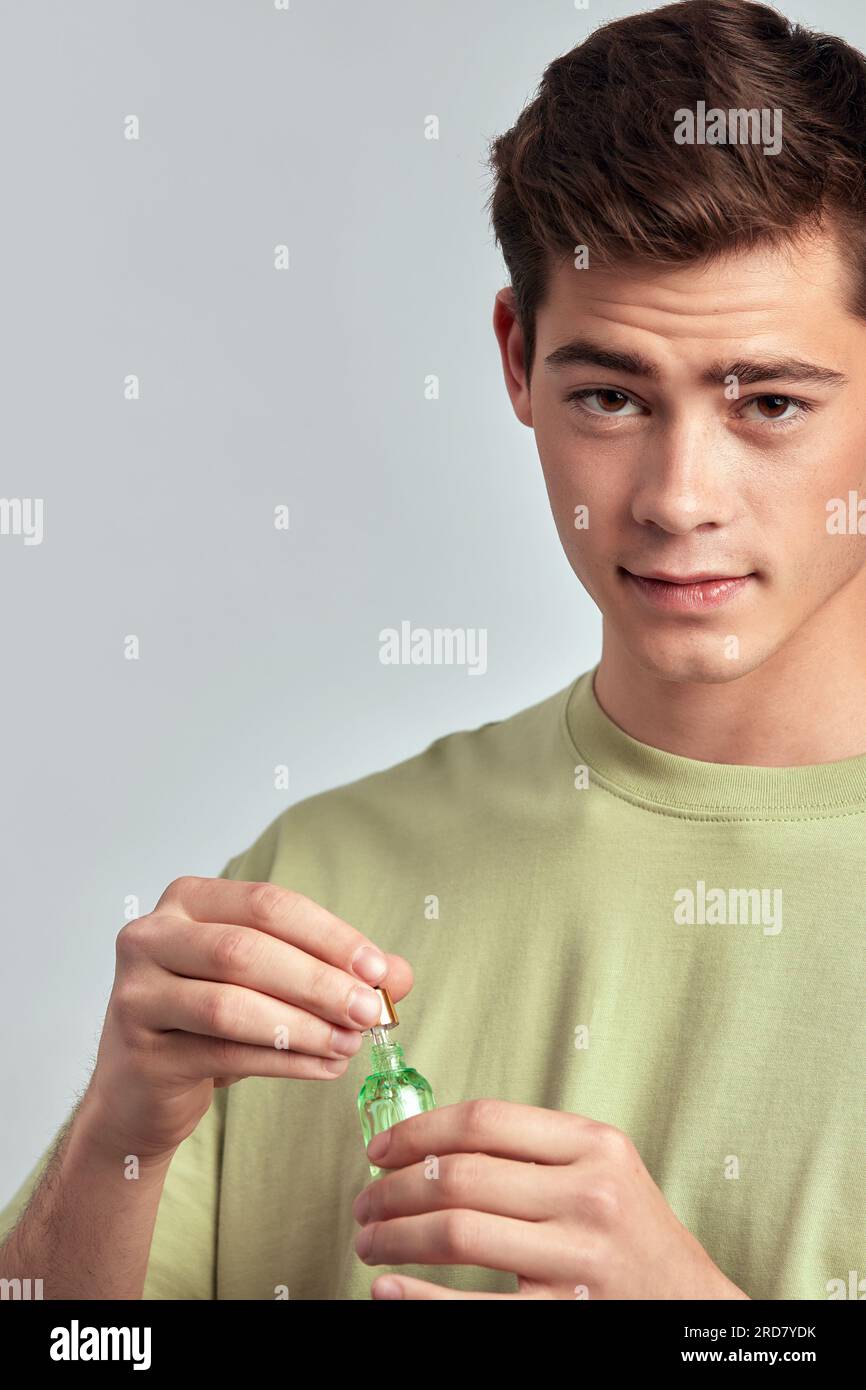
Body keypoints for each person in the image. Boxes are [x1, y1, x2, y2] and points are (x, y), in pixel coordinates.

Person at [1, 0, 864, 1300]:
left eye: (770, 403)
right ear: (516, 361)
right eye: (609, 396)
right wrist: (123, 1135)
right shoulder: (323, 883)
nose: (678, 496)